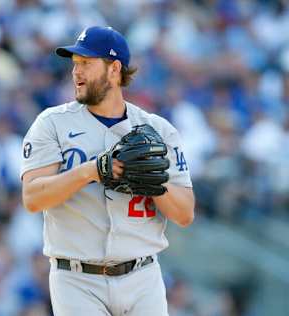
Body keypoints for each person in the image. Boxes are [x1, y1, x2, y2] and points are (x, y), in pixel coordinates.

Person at [20, 26, 195, 316]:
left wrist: (154, 183)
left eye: (86, 63)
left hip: (143, 276)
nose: (76, 72)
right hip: (77, 279)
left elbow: (185, 214)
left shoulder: (158, 130)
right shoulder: (51, 124)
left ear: (114, 70)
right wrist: (89, 171)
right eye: (75, 64)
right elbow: (32, 198)